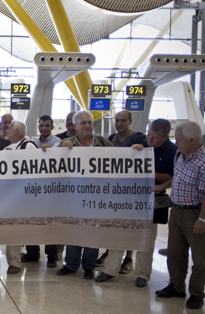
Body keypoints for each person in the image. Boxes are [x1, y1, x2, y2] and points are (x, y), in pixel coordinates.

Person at [95, 118, 177, 287]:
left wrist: (149, 172)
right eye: (149, 135)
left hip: (152, 201)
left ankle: (143, 274)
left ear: (164, 137)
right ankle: (110, 269)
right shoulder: (139, 140)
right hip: (128, 198)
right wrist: (135, 152)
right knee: (118, 233)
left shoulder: (172, 151)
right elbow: (122, 162)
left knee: (147, 238)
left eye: (154, 138)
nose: (150, 139)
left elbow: (172, 176)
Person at [155, 121, 205, 310]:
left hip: (195, 212)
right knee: (175, 253)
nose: (177, 143)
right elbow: (178, 178)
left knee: (199, 258)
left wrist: (202, 219)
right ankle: (176, 286)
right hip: (177, 210)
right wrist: (163, 186)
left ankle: (196, 293)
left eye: (180, 139)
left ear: (193, 140)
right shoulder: (180, 155)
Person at [56, 110, 112, 280]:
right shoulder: (66, 144)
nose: (87, 126)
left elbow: (119, 161)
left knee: (91, 231)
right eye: (83, 123)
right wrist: (62, 151)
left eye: (89, 122)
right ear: (75, 126)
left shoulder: (103, 144)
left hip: (96, 195)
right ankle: (71, 264)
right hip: (72, 196)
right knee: (73, 230)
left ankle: (89, 265)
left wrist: (136, 151)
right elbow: (55, 165)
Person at [95, 110, 148, 273]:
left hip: (131, 190)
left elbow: (147, 158)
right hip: (113, 189)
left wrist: (141, 149)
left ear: (130, 121)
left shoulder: (140, 139)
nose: (119, 124)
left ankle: (129, 257)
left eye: (122, 121)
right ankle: (110, 253)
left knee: (129, 226)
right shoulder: (111, 139)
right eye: (117, 121)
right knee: (112, 225)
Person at [0, 120, 35, 275]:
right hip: (2, 194)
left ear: (16, 131)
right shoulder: (5, 148)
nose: (6, 129)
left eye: (9, 128)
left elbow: (33, 169)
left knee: (13, 230)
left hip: (19, 195)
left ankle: (14, 262)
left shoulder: (28, 146)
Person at [23, 115, 60, 267]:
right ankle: (32, 253)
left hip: (49, 188)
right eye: (42, 125)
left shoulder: (56, 142)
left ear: (52, 127)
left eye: (47, 125)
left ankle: (51, 255)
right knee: (31, 220)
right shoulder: (32, 142)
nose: (44, 128)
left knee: (49, 222)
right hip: (32, 188)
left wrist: (50, 151)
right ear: (38, 127)